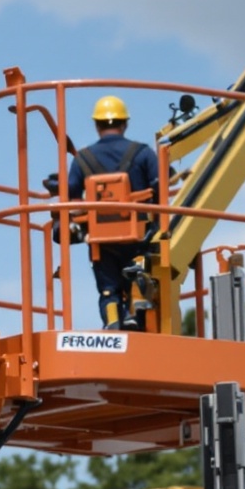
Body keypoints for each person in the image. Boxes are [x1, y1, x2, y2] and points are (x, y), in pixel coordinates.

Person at [64, 95, 159, 330]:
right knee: (138, 272)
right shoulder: (144, 153)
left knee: (108, 288)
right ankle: (136, 311)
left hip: (101, 241)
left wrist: (74, 227)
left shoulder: (82, 160)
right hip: (138, 237)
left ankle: (113, 323)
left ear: (96, 125)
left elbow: (69, 201)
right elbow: (161, 192)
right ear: (124, 123)